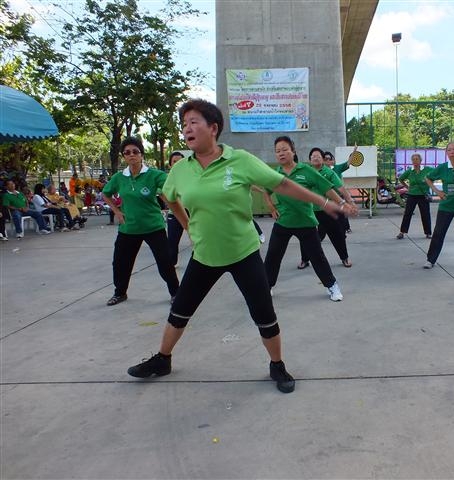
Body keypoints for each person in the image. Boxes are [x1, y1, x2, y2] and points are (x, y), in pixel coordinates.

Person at [127, 100, 349, 393]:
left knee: (264, 313)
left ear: (213, 128)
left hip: (243, 254)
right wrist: (187, 226)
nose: (187, 129)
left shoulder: (240, 160)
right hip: (205, 255)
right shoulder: (181, 170)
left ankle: (277, 365)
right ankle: (163, 359)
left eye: (194, 122)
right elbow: (169, 197)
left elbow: (280, 184)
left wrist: (323, 201)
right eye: (184, 125)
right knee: (180, 310)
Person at [263, 136, 358, 301]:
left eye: (285, 149)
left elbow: (327, 188)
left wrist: (343, 203)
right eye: (278, 151)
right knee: (273, 256)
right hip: (283, 222)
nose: (281, 153)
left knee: (317, 257)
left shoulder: (306, 171)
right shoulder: (274, 174)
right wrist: (270, 207)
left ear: (293, 151)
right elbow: (266, 191)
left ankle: (332, 286)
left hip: (305, 222)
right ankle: (267, 287)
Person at [102, 137, 179, 306]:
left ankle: (176, 293)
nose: (131, 155)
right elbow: (105, 194)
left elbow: (170, 189)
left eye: (135, 152)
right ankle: (120, 293)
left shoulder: (154, 175)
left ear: (141, 154)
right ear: (124, 156)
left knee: (165, 263)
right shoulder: (119, 178)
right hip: (128, 229)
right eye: (127, 153)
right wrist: (117, 212)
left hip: (153, 227)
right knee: (120, 263)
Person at [298, 147, 356, 269]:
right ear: (309, 160)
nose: (315, 158)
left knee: (337, 235)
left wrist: (349, 201)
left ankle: (344, 258)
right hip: (310, 211)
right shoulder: (306, 172)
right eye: (313, 156)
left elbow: (340, 188)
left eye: (318, 156)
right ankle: (305, 260)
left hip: (327, 211)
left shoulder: (329, 173)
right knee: (306, 236)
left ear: (323, 160)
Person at [396, 153, 433, 239]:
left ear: (420, 160)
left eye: (417, 159)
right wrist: (407, 187)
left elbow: (435, 174)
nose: (415, 161)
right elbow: (401, 179)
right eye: (413, 159)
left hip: (423, 195)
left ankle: (428, 233)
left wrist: (430, 183)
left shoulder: (427, 169)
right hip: (412, 195)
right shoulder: (410, 171)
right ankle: (402, 232)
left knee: (425, 214)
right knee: (407, 213)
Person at [165, 151, 186, 266]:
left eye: (181, 161)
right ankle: (172, 264)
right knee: (172, 242)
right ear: (170, 165)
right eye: (174, 162)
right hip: (175, 214)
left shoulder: (191, 177)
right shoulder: (166, 179)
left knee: (198, 240)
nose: (178, 164)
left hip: (191, 213)